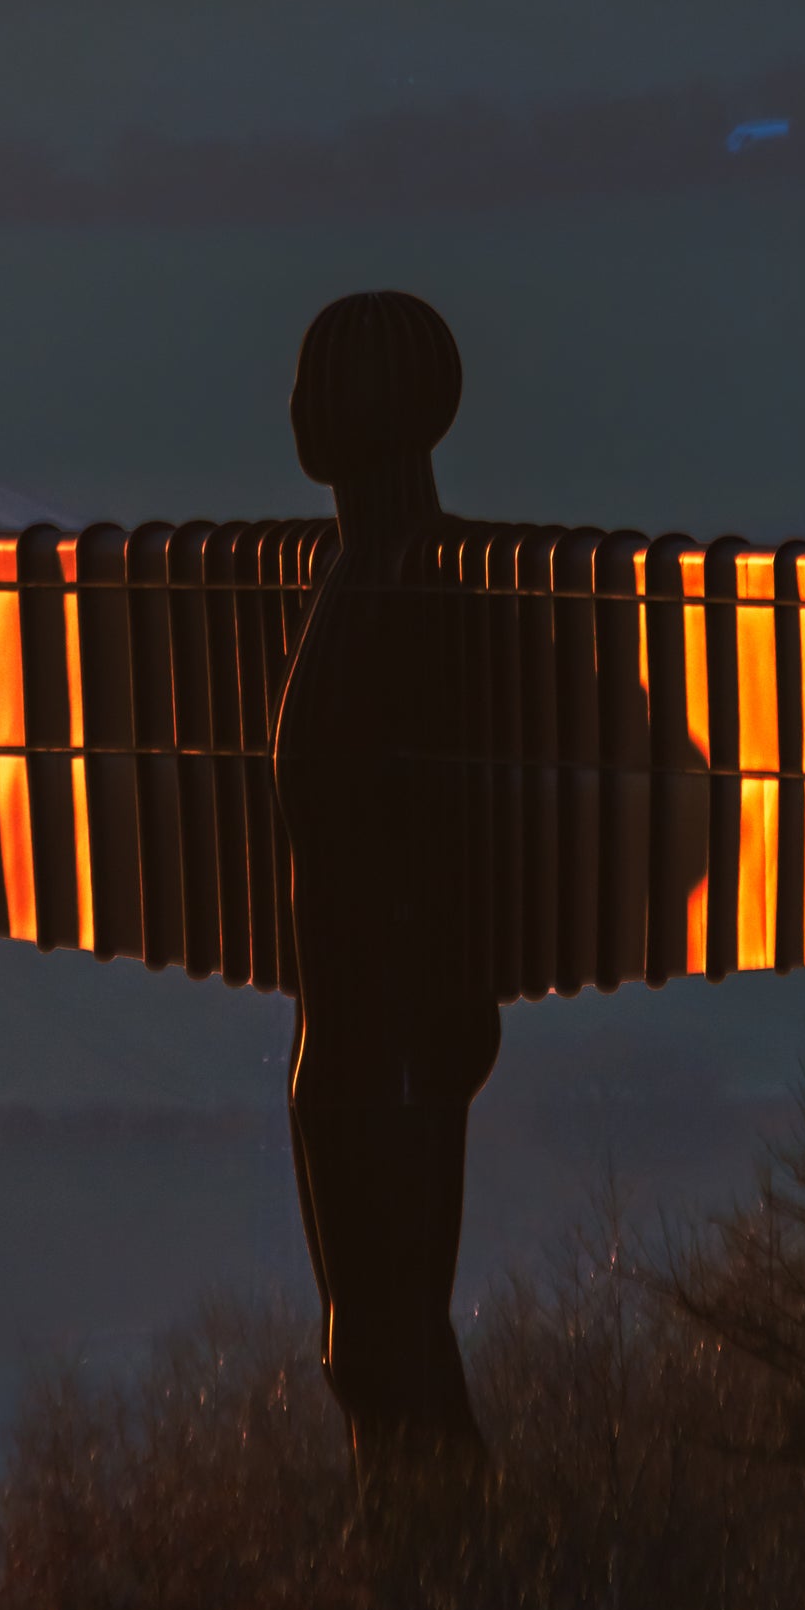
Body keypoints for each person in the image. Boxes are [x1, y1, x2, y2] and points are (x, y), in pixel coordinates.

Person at [272, 291, 500, 1499]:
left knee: (385, 1346)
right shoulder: (340, 577)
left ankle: (444, 1574)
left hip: (396, 1036)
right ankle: (424, 1568)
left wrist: (449, 996)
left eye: (312, 387)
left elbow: (459, 815)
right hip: (338, 1032)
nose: (293, 411)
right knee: (368, 1347)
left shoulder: (423, 591)